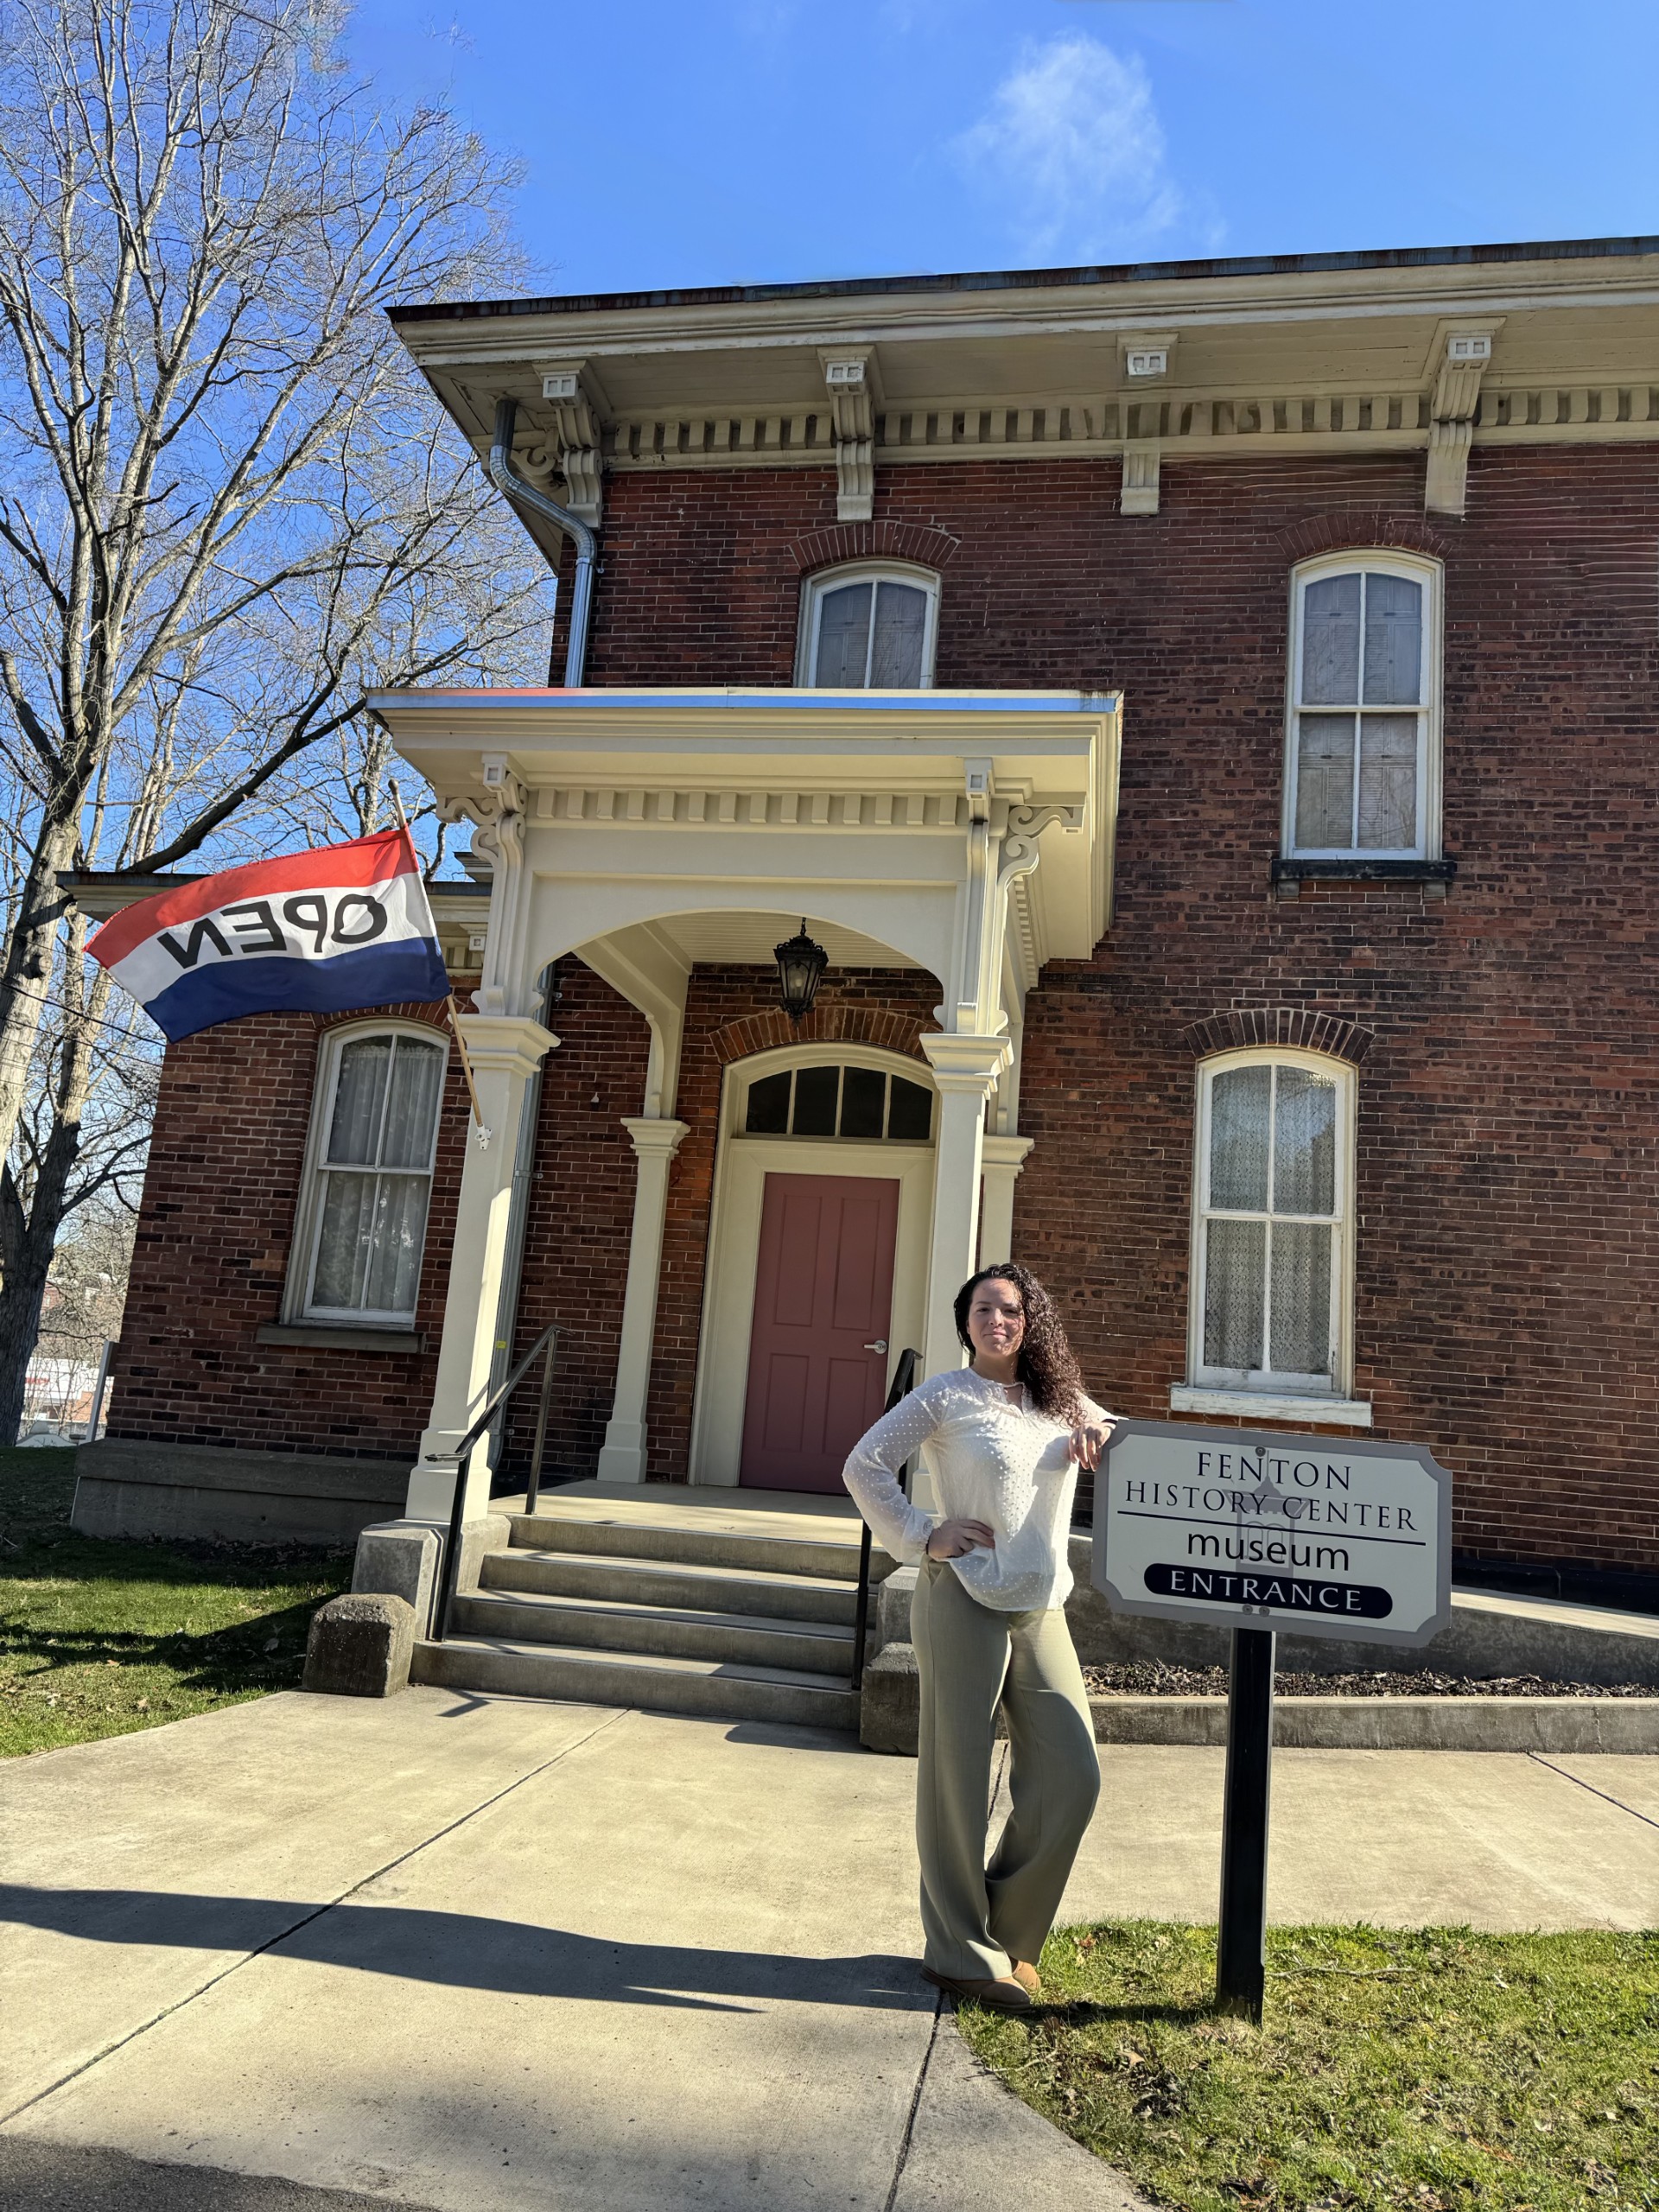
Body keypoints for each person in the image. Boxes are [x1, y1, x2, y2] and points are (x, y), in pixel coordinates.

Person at [842, 1262, 1116, 2012]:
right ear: (965, 1320)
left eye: (1013, 1310)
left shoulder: (1057, 1399)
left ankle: (1006, 1930)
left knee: (1073, 1776)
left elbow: (1107, 1431)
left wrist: (1098, 1427)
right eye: (985, 1309)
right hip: (960, 1596)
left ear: (1034, 1322)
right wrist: (922, 1532)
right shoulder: (945, 1395)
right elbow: (863, 1463)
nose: (999, 1320)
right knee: (957, 1782)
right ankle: (959, 1952)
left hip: (1039, 1603)